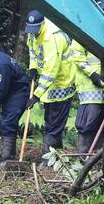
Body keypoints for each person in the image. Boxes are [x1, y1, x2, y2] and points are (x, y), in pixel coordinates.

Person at [24, 10, 75, 164]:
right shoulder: (32, 33)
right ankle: (56, 155)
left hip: (62, 83)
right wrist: (33, 67)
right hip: (48, 86)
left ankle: (48, 159)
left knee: (54, 123)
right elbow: (32, 51)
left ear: (43, 24)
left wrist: (36, 95)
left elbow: (51, 70)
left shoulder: (54, 37)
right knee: (49, 120)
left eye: (36, 29)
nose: (33, 33)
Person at [67, 41, 104, 153]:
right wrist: (92, 74)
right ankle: (83, 154)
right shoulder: (87, 28)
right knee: (88, 121)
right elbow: (76, 54)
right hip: (90, 86)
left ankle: (98, 157)